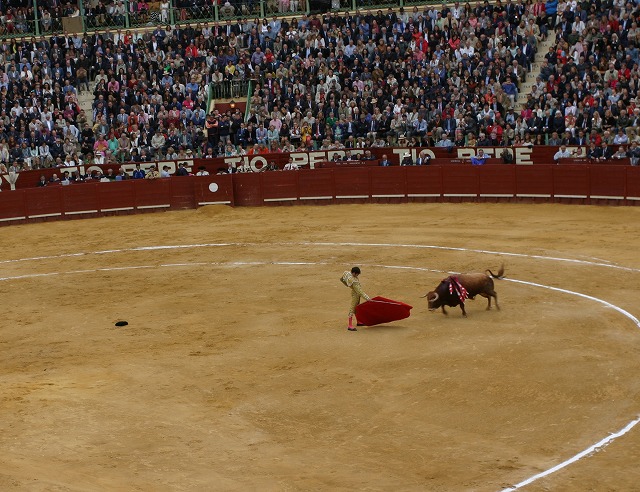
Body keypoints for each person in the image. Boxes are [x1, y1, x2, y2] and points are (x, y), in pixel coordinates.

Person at [340, 267, 371, 332]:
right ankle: (350, 325)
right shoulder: (354, 281)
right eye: (357, 274)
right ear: (354, 273)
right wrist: (368, 298)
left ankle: (359, 322)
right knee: (353, 308)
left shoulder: (346, 273)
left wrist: (348, 285)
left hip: (354, 292)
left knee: (357, 307)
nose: (357, 276)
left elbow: (341, 279)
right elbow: (360, 292)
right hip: (356, 294)